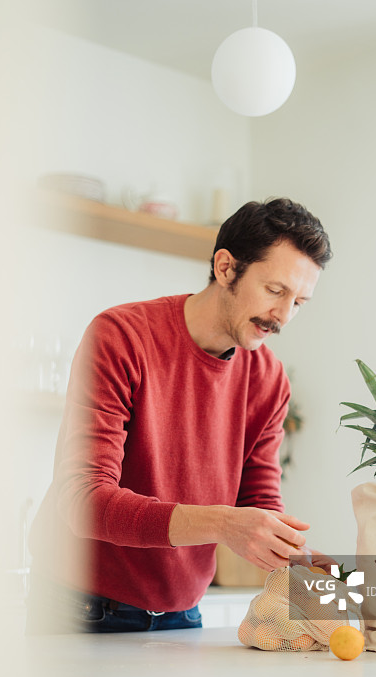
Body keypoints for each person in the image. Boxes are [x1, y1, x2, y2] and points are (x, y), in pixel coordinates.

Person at [26, 197, 332, 634]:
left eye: (299, 302)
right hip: (77, 606)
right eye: (275, 290)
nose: (283, 316)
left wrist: (305, 565)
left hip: (182, 614)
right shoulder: (121, 337)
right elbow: (84, 500)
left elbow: (260, 504)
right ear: (226, 267)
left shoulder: (268, 379)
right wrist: (224, 523)